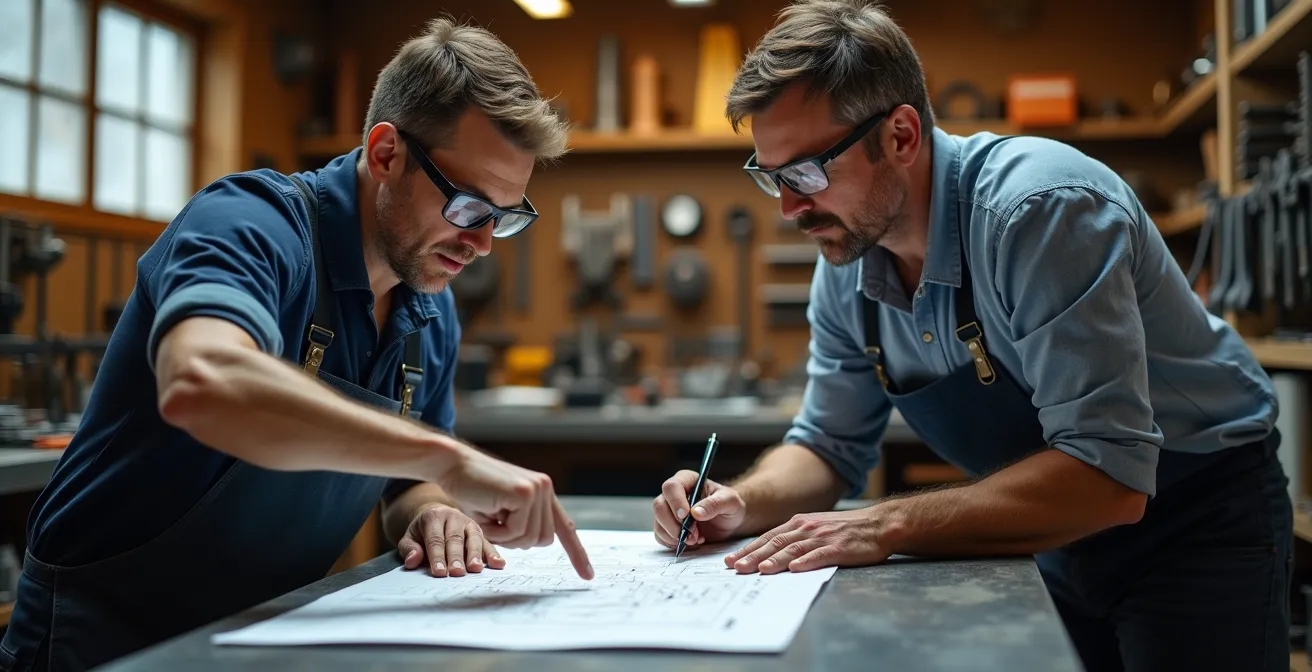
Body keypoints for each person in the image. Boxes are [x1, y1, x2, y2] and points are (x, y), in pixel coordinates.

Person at [653, 2, 1292, 670]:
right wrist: (740, 502)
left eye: (807, 172)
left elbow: (1110, 477)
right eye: (771, 176)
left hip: (1194, 518)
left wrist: (884, 522)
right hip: (1047, 527)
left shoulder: (1040, 214)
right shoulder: (847, 259)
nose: (788, 208)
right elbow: (826, 445)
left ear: (901, 136)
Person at [1, 17, 593, 672]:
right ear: (386, 151)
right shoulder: (252, 222)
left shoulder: (430, 307)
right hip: (108, 637)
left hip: (265, 632)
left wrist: (432, 512)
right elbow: (203, 381)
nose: (481, 244)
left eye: (504, 219)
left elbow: (406, 487)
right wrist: (448, 462)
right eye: (467, 208)